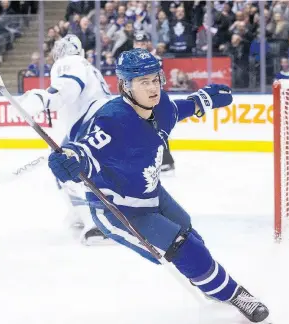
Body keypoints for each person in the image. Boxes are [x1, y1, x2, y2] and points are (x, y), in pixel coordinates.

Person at [47, 48, 269, 323]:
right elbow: (85, 152)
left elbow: (179, 109)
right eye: (144, 82)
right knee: (184, 247)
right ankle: (236, 294)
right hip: (120, 210)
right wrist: (70, 160)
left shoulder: (161, 105)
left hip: (152, 194)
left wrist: (204, 100)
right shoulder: (112, 120)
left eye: (155, 79)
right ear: (125, 86)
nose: (153, 88)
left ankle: (208, 280)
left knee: (188, 230)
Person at [19, 34, 112, 246]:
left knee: (68, 169)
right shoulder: (89, 66)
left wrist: (43, 98)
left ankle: (97, 223)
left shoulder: (70, 62)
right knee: (63, 165)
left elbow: (68, 86)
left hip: (91, 126)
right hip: (102, 125)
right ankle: (80, 213)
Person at [132, 31, 175, 173]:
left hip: (153, 99)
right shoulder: (130, 61)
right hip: (137, 99)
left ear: (147, 44)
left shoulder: (155, 59)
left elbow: (158, 79)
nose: (140, 46)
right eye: (138, 43)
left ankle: (166, 160)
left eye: (143, 43)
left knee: (158, 129)